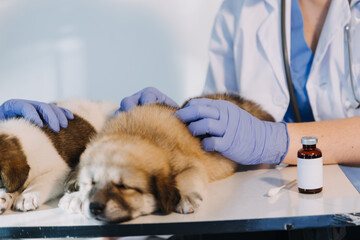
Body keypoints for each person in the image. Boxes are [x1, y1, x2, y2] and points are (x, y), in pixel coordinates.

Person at [1, 0, 360, 167]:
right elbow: (225, 119)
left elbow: (256, 138)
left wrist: (275, 141)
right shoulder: (241, 9)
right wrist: (179, 120)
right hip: (270, 202)